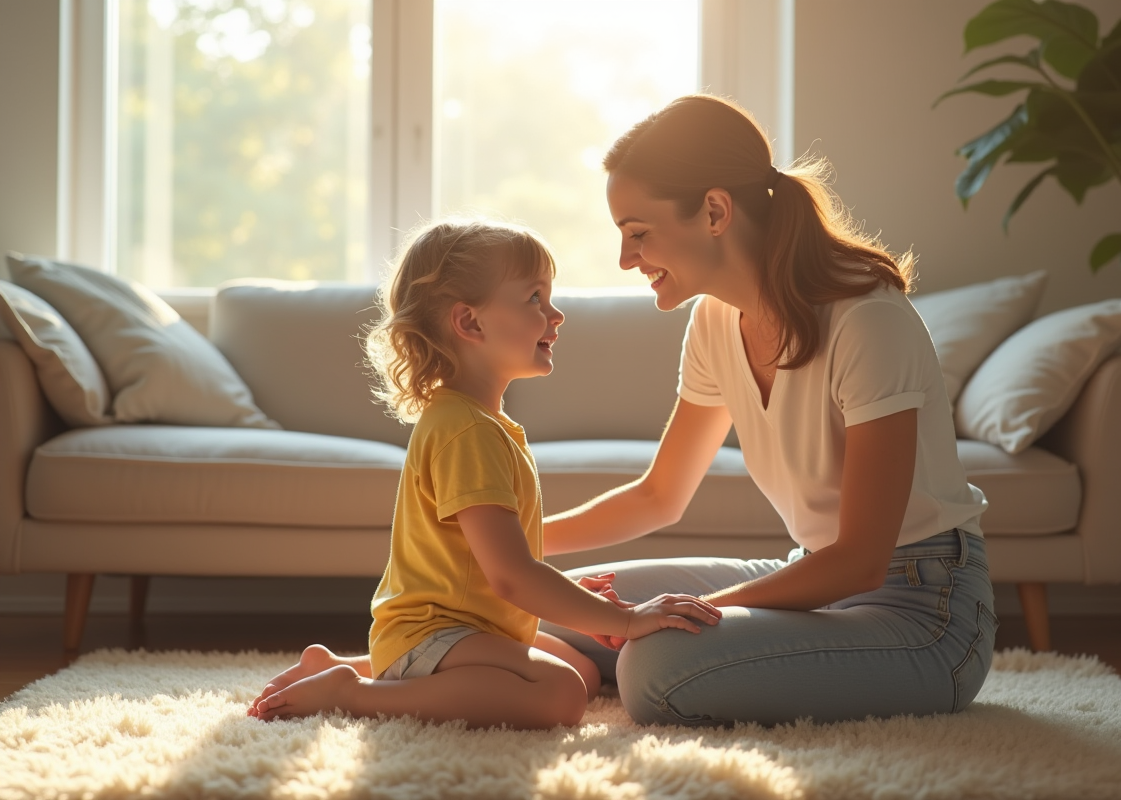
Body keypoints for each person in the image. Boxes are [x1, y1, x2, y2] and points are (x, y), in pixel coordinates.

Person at [539, 95, 998, 726]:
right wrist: (515, 544)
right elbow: (659, 496)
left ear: (715, 210)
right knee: (554, 602)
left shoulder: (868, 321)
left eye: (638, 234)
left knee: (655, 663)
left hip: (924, 610)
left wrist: (667, 621)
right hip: (813, 577)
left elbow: (862, 559)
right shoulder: (713, 320)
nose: (626, 259)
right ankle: (606, 658)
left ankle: (649, 658)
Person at [247, 218, 721, 729]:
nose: (555, 315)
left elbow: (490, 562)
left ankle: (345, 666)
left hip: (467, 626)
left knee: (580, 670)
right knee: (560, 693)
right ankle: (355, 693)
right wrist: (625, 619)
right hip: (434, 631)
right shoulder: (465, 432)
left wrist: (585, 603)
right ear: (470, 323)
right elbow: (512, 576)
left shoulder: (483, 424)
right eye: (535, 299)